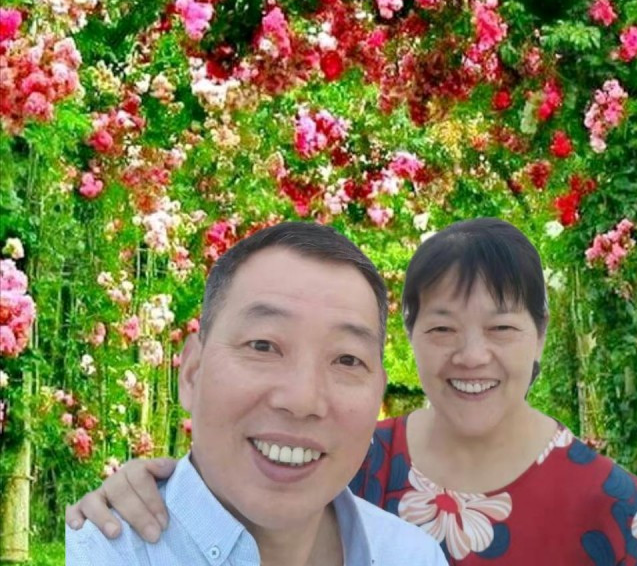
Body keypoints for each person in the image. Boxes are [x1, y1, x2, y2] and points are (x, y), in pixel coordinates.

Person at [67, 218, 637, 565]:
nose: (472, 356)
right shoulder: (360, 460)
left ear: (540, 336)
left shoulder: (609, 499)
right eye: (442, 329)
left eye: (502, 328)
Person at [65, 221, 447, 566]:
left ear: (378, 394)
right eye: (263, 346)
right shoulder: (97, 553)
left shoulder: (413, 555)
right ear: (192, 373)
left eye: (347, 359)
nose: (302, 400)